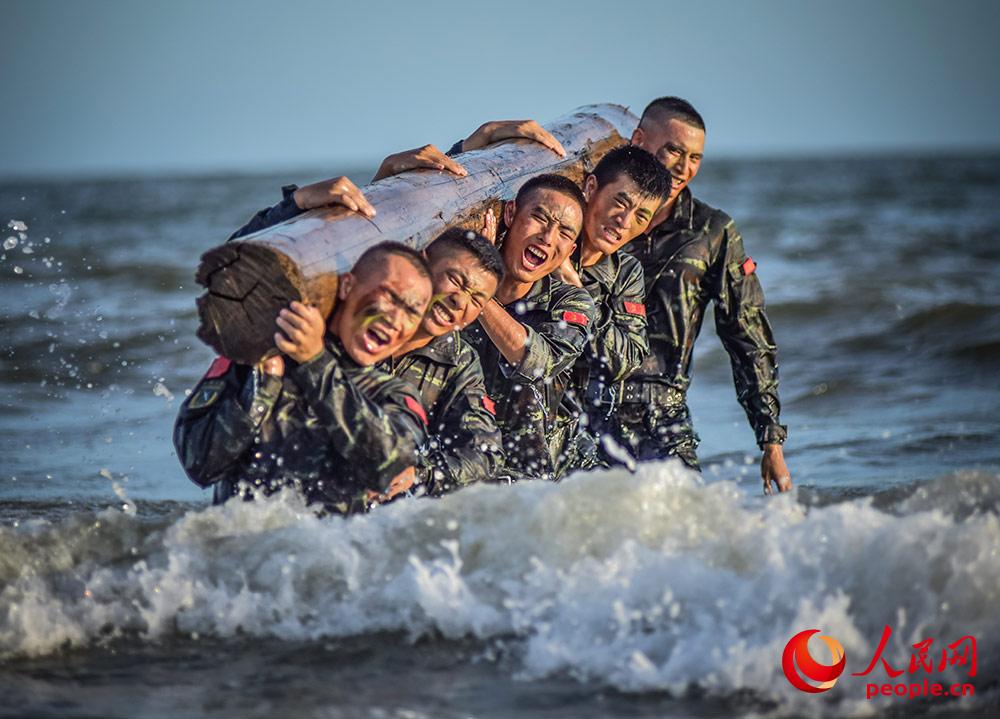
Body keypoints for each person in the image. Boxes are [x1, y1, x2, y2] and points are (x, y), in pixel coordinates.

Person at [173, 241, 434, 515]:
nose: (396, 318)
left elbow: (389, 465)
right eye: (390, 297)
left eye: (411, 312)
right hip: (240, 547)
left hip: (326, 552)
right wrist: (260, 390)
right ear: (346, 287)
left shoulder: (390, 393)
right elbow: (199, 464)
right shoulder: (259, 360)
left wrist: (316, 362)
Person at [621, 97, 792, 493]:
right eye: (673, 151)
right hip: (586, 405)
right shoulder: (599, 214)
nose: (684, 168)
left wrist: (770, 439)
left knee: (686, 529)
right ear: (639, 141)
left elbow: (746, 333)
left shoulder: (713, 232)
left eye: (695, 157)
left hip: (662, 410)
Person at [460, 174, 597, 480]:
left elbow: (537, 363)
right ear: (510, 214)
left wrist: (476, 289)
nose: (548, 237)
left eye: (564, 232)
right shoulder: (453, 289)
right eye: (539, 218)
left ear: (571, 250)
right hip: (466, 469)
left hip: (540, 483)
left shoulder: (572, 304)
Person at [554, 145, 671, 466]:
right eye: (621, 202)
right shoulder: (544, 246)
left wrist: (578, 295)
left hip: (582, 422)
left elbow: (626, 360)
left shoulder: (625, 271)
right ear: (591, 187)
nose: (624, 221)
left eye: (641, 216)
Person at [382, 227, 506, 496]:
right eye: (456, 280)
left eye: (476, 299)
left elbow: (486, 453)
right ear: (422, 262)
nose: (459, 302)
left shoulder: (459, 359)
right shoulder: (367, 318)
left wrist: (421, 474)